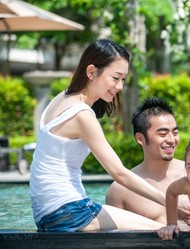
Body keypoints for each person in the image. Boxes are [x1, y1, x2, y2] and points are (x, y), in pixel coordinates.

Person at [29, 39, 166, 232]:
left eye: (123, 79)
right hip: (70, 211)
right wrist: (169, 200)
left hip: (46, 214)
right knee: (162, 227)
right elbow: (119, 173)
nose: (119, 86)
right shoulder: (82, 115)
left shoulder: (62, 97)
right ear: (91, 72)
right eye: (115, 78)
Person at [105, 97, 190, 228]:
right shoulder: (121, 189)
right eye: (163, 134)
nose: (171, 140)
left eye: (175, 133)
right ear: (140, 138)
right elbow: (113, 241)